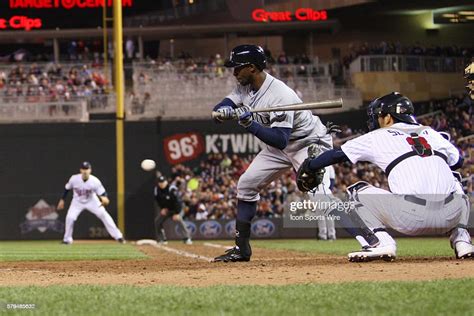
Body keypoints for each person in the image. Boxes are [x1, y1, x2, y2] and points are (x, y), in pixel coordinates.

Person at [298, 92, 473, 261]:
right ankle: (462, 240)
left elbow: (337, 155)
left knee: (356, 192)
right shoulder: (431, 132)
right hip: (450, 215)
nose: (376, 120)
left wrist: (309, 165)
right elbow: (458, 161)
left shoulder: (377, 136)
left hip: (411, 218)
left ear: (388, 118)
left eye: (378, 116)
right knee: (455, 177)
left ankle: (381, 242)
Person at [211, 44, 334, 262]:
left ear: (251, 67)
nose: (233, 72)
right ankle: (241, 249)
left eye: (237, 68)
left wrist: (249, 124)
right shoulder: (245, 85)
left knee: (319, 193)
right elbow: (229, 100)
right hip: (278, 149)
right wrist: (222, 109)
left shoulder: (280, 95)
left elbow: (280, 139)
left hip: (306, 142)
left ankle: (369, 239)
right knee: (246, 185)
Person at [57, 161, 124, 244]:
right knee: (70, 218)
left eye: (87, 169)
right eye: (83, 169)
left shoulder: (95, 181)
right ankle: (67, 239)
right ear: (80, 170)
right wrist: (62, 199)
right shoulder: (74, 179)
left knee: (104, 215)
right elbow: (67, 188)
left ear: (90, 170)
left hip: (92, 201)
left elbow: (103, 193)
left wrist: (105, 198)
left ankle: (119, 237)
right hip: (77, 202)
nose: (85, 171)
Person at [154, 176, 192, 245]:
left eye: (163, 182)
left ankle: (187, 238)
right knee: (157, 221)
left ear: (166, 182)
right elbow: (158, 200)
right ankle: (162, 239)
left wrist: (177, 213)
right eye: (160, 182)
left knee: (178, 219)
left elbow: (178, 202)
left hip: (178, 208)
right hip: (168, 209)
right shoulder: (157, 190)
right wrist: (162, 208)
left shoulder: (172, 189)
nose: (161, 184)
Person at [316, 165, 337, 241]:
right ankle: (322, 235)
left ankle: (331, 234)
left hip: (327, 192)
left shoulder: (330, 166)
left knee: (329, 215)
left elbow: (332, 180)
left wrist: (328, 190)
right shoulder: (316, 163)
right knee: (320, 215)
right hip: (317, 193)